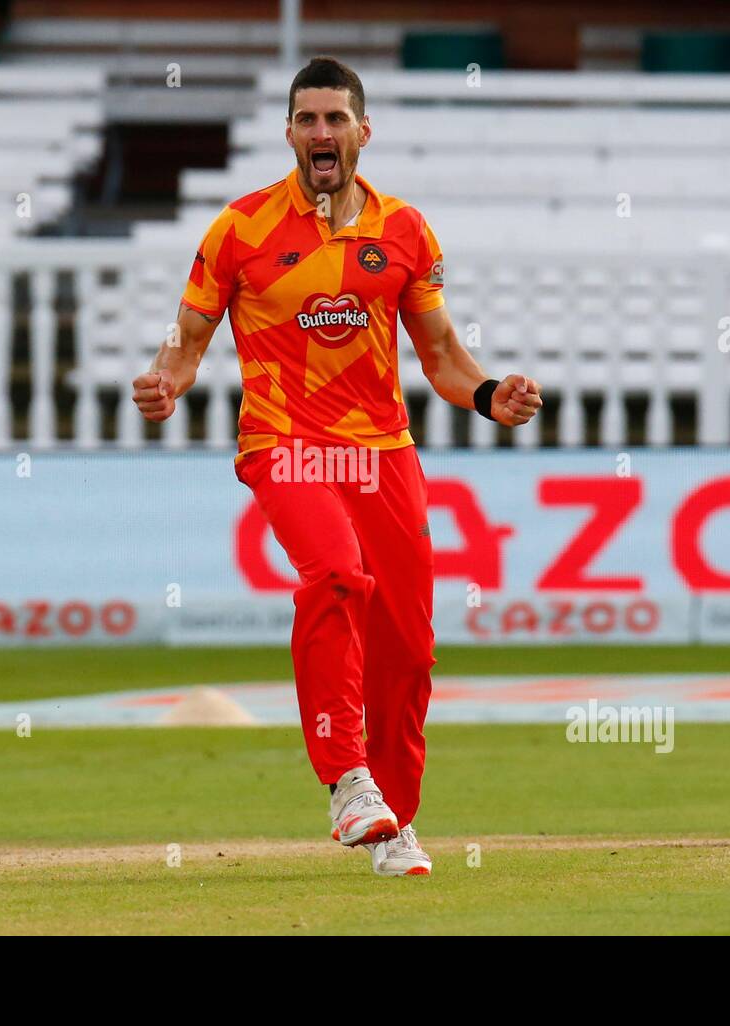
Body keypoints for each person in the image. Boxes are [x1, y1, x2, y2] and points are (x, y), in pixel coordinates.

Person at [133, 56, 541, 877]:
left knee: (408, 650)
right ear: (288, 133)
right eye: (308, 119)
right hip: (285, 442)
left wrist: (490, 392)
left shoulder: (406, 232)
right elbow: (186, 339)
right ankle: (347, 779)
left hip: (382, 453)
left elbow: (444, 358)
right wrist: (164, 383)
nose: (322, 133)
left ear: (362, 132)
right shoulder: (240, 230)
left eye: (336, 119)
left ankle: (391, 823)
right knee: (336, 575)